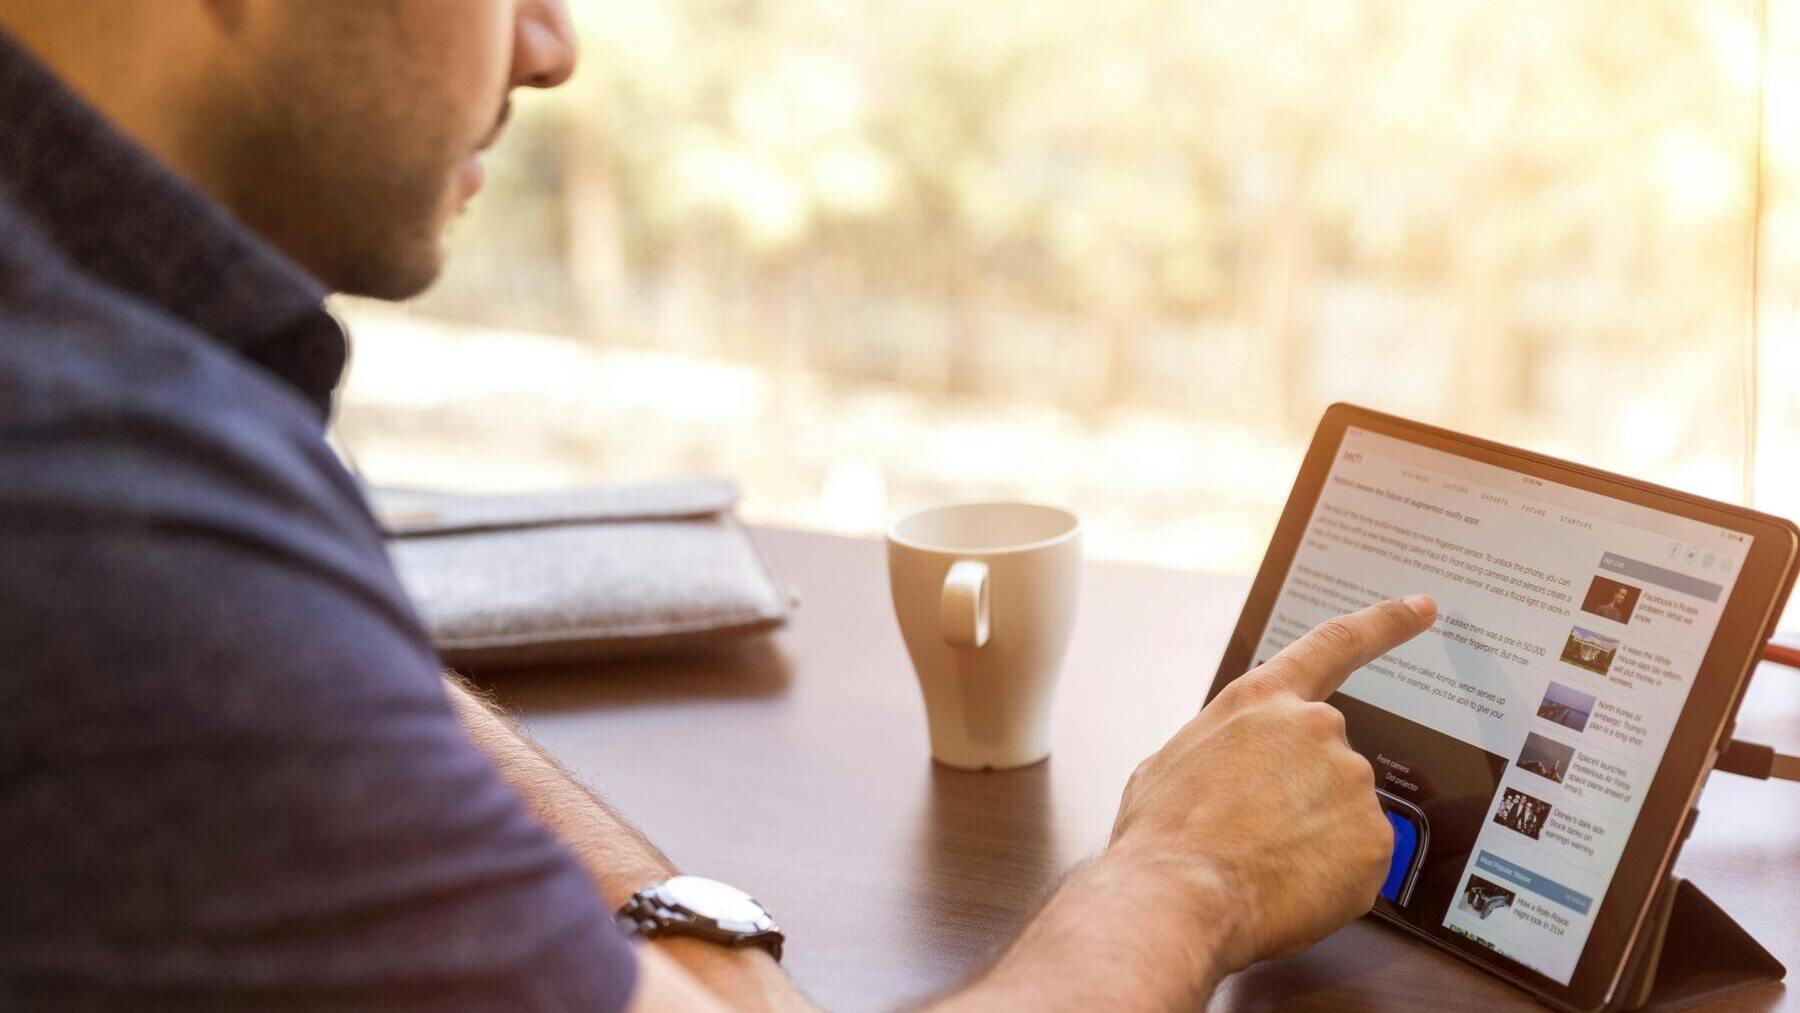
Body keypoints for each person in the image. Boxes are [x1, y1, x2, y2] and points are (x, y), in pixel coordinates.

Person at [0, 3, 1437, 1010]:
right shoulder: (95, 491)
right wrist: (1185, 877)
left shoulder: (120, 409)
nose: (551, 46)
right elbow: (208, 636)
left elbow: (294, 667)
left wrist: (694, 950)